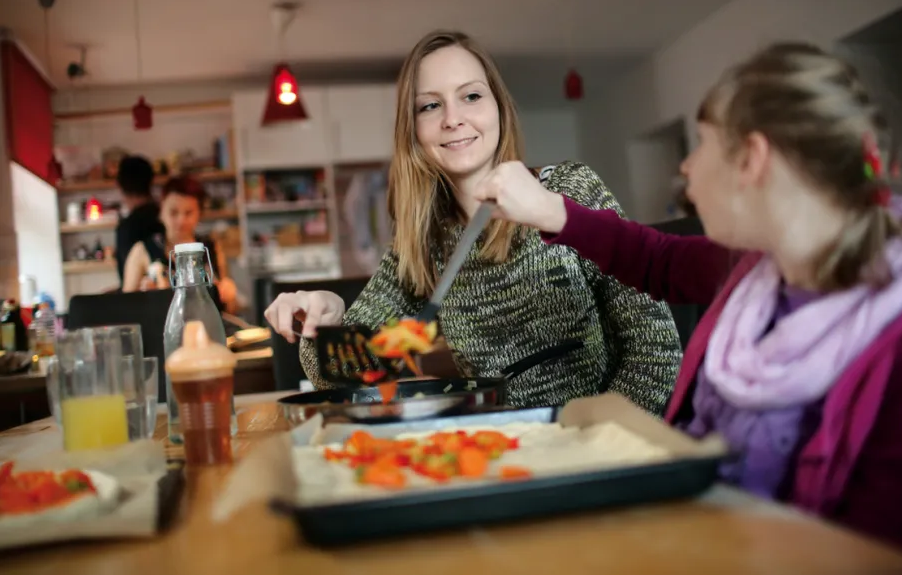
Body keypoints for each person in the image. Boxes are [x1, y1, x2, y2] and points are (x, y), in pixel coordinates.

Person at [474, 42, 902, 561]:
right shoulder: (755, 269)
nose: (686, 166)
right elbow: (655, 260)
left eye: (702, 143)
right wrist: (550, 211)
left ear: (751, 159)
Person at [265, 29, 682, 413]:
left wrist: (596, 443)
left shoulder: (569, 191)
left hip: (599, 452)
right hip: (499, 454)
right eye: (430, 105)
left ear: (499, 106)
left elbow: (655, 348)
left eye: (471, 96)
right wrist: (328, 320)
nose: (452, 118)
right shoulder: (423, 241)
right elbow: (345, 374)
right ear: (412, 130)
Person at [122, 175, 238, 311]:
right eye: (173, 212)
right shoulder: (142, 250)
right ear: (161, 212)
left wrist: (229, 293)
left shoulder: (211, 248)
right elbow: (126, 307)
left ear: (199, 214)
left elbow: (231, 307)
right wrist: (143, 295)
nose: (181, 221)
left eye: (188, 213)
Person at [114, 155, 164, 285]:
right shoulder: (164, 217)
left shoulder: (126, 227)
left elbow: (127, 279)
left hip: (140, 299)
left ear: (119, 186)